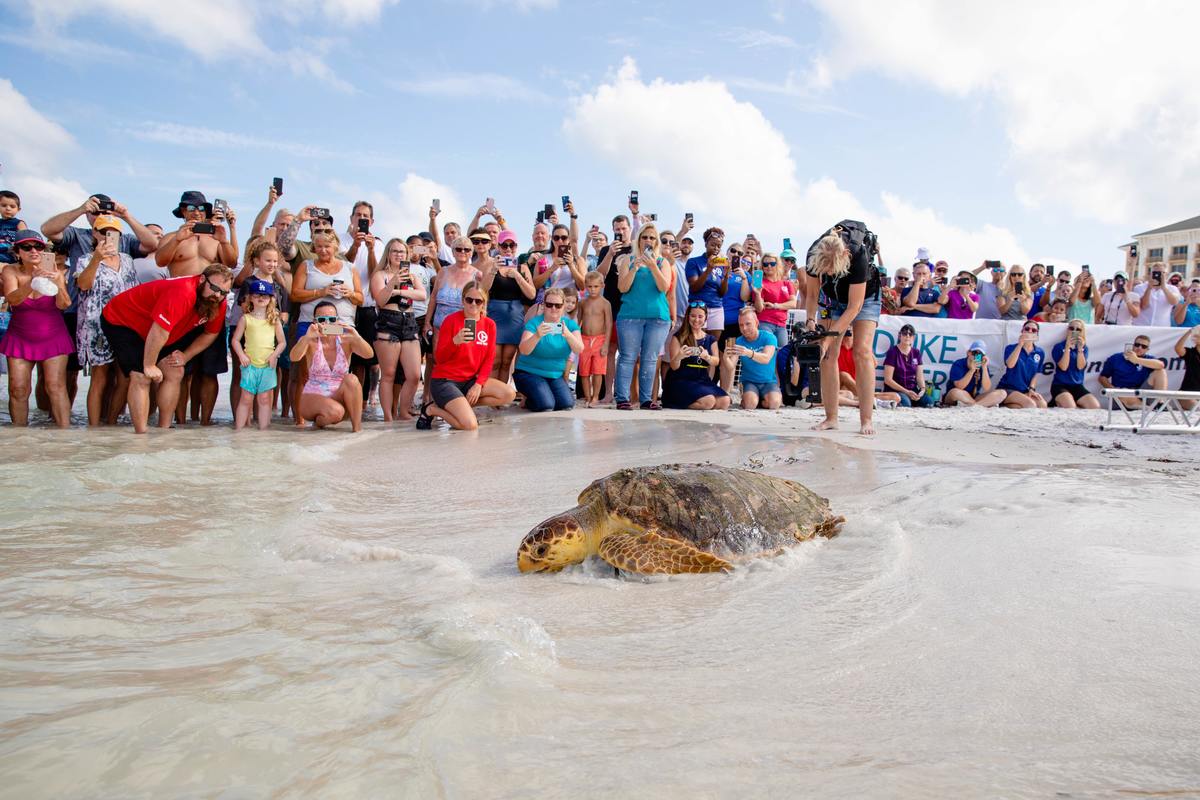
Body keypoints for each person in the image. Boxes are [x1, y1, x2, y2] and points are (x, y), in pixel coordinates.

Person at [41, 193, 160, 408]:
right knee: (69, 374)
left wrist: (125, 215)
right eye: (95, 211)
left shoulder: (123, 239)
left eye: (105, 211)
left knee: (118, 375)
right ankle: (57, 422)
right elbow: (48, 230)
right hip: (78, 312)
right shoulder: (78, 235)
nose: (100, 217)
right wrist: (80, 209)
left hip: (120, 319)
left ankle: (107, 425)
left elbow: (152, 244)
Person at [100, 264, 234, 433]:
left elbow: (211, 333)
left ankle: (164, 430)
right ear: (201, 279)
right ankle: (141, 435)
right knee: (141, 376)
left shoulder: (216, 302)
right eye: (214, 288)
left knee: (175, 371)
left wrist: (185, 356)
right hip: (123, 320)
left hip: (158, 330)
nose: (217, 295)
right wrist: (149, 365)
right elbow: (159, 330)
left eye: (224, 292)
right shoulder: (183, 292)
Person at [153, 191, 240, 426]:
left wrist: (225, 236)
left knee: (209, 371)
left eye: (201, 208)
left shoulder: (216, 238)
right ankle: (179, 421)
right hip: (181, 307)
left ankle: (205, 423)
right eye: (191, 209)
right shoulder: (173, 236)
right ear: (182, 211)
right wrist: (179, 239)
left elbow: (231, 262)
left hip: (212, 305)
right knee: (179, 369)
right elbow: (160, 260)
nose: (197, 212)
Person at [804, 220, 883, 434]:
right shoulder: (814, 253)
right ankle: (831, 418)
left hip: (864, 300)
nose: (827, 274)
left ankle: (866, 419)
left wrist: (827, 339)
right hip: (831, 298)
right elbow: (811, 295)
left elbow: (854, 308)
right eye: (824, 271)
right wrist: (811, 322)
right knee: (828, 355)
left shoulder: (858, 255)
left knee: (862, 352)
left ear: (844, 256)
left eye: (830, 270)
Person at [418, 281, 516, 431]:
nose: (473, 304)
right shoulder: (450, 321)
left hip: (470, 380)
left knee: (508, 394)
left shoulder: (489, 325)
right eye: (469, 300)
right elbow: (440, 359)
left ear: (484, 303)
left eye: (478, 301)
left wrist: (478, 385)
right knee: (470, 425)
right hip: (446, 380)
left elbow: (489, 359)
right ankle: (432, 410)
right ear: (463, 300)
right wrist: (455, 342)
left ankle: (460, 404)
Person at [0, 231, 73, 427]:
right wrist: (33, 281)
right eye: (27, 247)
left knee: (56, 386)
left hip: (53, 336)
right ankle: (20, 437)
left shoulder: (55, 272)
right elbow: (13, 299)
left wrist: (58, 283)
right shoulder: (10, 271)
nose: (33, 251)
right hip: (20, 336)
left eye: (38, 247)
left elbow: (64, 304)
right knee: (18, 389)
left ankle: (65, 437)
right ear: (18, 252)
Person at [290, 232, 362, 425]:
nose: (323, 250)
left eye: (327, 247)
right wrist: (321, 292)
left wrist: (350, 293)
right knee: (305, 374)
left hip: (342, 324)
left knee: (342, 373)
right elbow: (294, 294)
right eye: (319, 246)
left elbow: (361, 298)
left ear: (336, 247)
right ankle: (301, 419)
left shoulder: (349, 267)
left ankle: (339, 413)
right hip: (311, 322)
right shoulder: (307, 265)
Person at [74, 216, 137, 426]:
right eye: (103, 231)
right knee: (99, 378)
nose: (108, 236)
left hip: (125, 324)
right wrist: (96, 259)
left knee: (125, 378)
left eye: (113, 232)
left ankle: (111, 423)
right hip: (96, 325)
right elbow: (83, 285)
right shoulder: (85, 259)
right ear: (94, 233)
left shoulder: (127, 259)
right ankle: (93, 427)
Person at [228, 239, 291, 420]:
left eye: (274, 261)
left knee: (264, 376)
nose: (272, 264)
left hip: (268, 337)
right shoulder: (249, 282)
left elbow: (284, 312)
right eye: (267, 260)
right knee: (241, 374)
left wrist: (280, 318)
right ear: (256, 261)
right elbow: (244, 308)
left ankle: (259, 419)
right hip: (247, 333)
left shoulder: (278, 285)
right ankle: (240, 418)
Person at [289, 300, 373, 432]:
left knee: (351, 379)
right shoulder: (310, 340)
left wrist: (356, 337)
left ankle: (357, 429)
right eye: (322, 319)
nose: (327, 323)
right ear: (315, 322)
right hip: (313, 396)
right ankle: (319, 422)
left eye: (331, 319)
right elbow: (294, 357)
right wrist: (306, 337)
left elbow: (369, 354)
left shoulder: (346, 340)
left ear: (337, 320)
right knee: (336, 411)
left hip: (339, 397)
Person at [614, 224, 672, 410]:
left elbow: (664, 287)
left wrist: (653, 265)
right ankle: (622, 398)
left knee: (650, 358)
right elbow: (622, 288)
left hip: (657, 318)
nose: (648, 240)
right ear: (639, 240)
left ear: (656, 242)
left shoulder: (663, 262)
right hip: (630, 316)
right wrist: (634, 268)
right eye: (645, 237)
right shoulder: (627, 260)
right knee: (627, 357)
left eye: (652, 238)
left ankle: (646, 399)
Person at [370, 238, 426, 422]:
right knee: (388, 373)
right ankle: (388, 416)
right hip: (388, 321)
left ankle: (403, 411)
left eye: (402, 252)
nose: (398, 255)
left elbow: (422, 295)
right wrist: (392, 284)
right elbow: (380, 300)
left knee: (414, 375)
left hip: (409, 321)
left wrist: (399, 292)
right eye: (394, 251)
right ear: (388, 253)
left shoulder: (412, 276)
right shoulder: (380, 275)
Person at [513, 287, 583, 412]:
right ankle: (531, 398)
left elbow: (579, 349)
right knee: (546, 405)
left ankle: (540, 395)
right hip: (529, 372)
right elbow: (524, 350)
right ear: (544, 305)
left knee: (566, 404)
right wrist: (537, 336)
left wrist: (568, 334)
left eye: (558, 305)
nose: (553, 309)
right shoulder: (535, 323)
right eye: (549, 305)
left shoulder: (570, 325)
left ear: (563, 306)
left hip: (554, 375)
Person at [231, 280, 286, 430]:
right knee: (246, 398)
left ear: (270, 299)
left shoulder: (274, 320)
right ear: (251, 298)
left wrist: (274, 355)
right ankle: (239, 431)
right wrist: (242, 355)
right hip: (250, 364)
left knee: (264, 399)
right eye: (257, 295)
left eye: (265, 296)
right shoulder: (245, 318)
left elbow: (282, 343)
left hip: (268, 365)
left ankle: (263, 432)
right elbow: (235, 340)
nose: (261, 298)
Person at [484, 230, 536, 384]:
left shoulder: (522, 267)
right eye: (504, 245)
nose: (508, 249)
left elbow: (532, 294)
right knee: (495, 360)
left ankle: (501, 396)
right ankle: (492, 395)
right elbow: (482, 289)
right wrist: (493, 270)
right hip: (495, 315)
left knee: (507, 360)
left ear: (516, 247)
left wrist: (518, 277)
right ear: (498, 247)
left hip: (514, 316)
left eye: (511, 245)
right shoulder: (491, 265)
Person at [343, 201, 380, 403]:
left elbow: (376, 274)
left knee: (367, 359)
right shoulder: (339, 240)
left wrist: (371, 250)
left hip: (366, 307)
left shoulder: (378, 244)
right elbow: (342, 265)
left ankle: (362, 401)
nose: (362, 219)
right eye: (358, 215)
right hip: (343, 307)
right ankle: (348, 400)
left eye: (366, 216)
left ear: (371, 221)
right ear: (351, 218)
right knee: (346, 359)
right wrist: (356, 246)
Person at [661, 303, 730, 410]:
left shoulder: (710, 339)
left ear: (706, 318)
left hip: (701, 380)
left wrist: (707, 357)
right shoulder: (678, 337)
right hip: (682, 379)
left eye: (700, 316)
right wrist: (679, 356)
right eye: (693, 316)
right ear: (688, 316)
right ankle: (676, 402)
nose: (696, 320)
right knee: (709, 401)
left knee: (725, 401)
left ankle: (699, 402)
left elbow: (716, 361)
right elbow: (674, 367)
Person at [721, 307, 780, 409]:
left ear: (756, 322)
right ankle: (752, 399)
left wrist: (748, 352)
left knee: (774, 404)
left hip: (768, 381)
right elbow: (731, 367)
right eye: (741, 325)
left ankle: (761, 400)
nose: (744, 328)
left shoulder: (769, 337)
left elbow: (766, 359)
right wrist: (725, 358)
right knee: (749, 404)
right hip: (749, 381)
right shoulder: (739, 341)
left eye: (748, 324)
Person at [1099, 333, 1168, 408]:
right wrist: (1112, 389)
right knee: (1123, 392)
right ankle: (1147, 408)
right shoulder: (1116, 358)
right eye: (1137, 345)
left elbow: (1161, 365)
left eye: (1143, 346)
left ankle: (1159, 403)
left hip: (1141, 392)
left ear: (1147, 350)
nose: (1140, 348)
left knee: (1160, 371)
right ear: (1133, 345)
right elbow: (1102, 377)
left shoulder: (1148, 359)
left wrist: (1137, 360)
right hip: (1122, 396)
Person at [685, 227, 730, 337]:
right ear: (705, 244)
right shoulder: (693, 262)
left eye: (719, 246)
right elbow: (694, 287)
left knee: (713, 344)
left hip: (717, 308)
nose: (716, 248)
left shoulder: (721, 264)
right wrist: (708, 270)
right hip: (699, 307)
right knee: (697, 342)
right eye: (713, 245)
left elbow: (722, 293)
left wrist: (726, 276)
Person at [578, 271, 613, 407]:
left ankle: (595, 396)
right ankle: (587, 397)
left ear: (602, 286)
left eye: (596, 286)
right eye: (590, 286)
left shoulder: (605, 304)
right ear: (586, 286)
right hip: (584, 339)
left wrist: (606, 344)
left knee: (598, 371)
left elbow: (609, 324)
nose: (592, 289)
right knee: (584, 371)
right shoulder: (582, 303)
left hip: (600, 340)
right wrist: (576, 339)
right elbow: (578, 322)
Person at [746, 251, 796, 346]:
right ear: (762, 266)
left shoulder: (787, 283)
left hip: (782, 325)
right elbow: (759, 309)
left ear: (778, 265)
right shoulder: (760, 284)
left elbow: (793, 303)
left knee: (781, 355)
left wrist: (774, 306)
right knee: (768, 353)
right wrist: (757, 293)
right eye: (765, 264)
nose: (769, 266)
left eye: (772, 264)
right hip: (765, 322)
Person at [996, 320, 1048, 408]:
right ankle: (1003, 402)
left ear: (1037, 334)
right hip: (1008, 388)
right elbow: (1010, 365)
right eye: (1027, 329)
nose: (1030, 331)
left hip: (1024, 390)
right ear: (1022, 331)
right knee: (1030, 404)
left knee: (1042, 405)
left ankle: (1006, 405)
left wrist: (1032, 389)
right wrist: (1020, 345)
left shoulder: (1040, 352)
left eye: (1033, 330)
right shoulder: (1011, 348)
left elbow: (1036, 374)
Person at [1049, 320, 1100, 409]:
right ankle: (1057, 401)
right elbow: (1063, 367)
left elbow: (1080, 367)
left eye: (1078, 329)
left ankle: (1065, 402)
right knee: (1070, 407)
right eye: (1071, 328)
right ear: (1067, 330)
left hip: (1077, 385)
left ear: (1081, 332)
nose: (1074, 331)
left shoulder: (1084, 348)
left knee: (1095, 406)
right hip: (1060, 385)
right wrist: (1067, 347)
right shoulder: (1059, 347)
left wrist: (1080, 349)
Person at [882, 323, 934, 407]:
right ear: (900, 336)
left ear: (913, 337)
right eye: (905, 333)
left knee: (929, 402)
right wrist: (906, 392)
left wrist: (922, 389)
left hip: (912, 389)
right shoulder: (893, 352)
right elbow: (888, 380)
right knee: (906, 403)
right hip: (896, 389)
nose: (907, 336)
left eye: (910, 334)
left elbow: (919, 376)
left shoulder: (916, 352)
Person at [943, 340, 1006, 407]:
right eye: (975, 353)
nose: (977, 356)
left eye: (980, 354)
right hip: (958, 396)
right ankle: (977, 404)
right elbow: (959, 386)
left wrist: (984, 368)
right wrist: (971, 370)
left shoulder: (982, 366)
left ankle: (975, 405)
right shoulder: (959, 364)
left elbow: (986, 388)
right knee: (955, 392)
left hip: (973, 397)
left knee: (1002, 393)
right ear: (968, 353)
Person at [1173, 325, 1200, 409]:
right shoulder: (1190, 353)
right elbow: (1178, 348)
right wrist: (1190, 332)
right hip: (1186, 394)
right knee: (1196, 407)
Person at [0, 189, 28, 265]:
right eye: (4, 205)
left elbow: (25, 240)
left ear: (18, 209)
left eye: (12, 206)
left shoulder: (19, 223)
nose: (8, 208)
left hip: (11, 255)